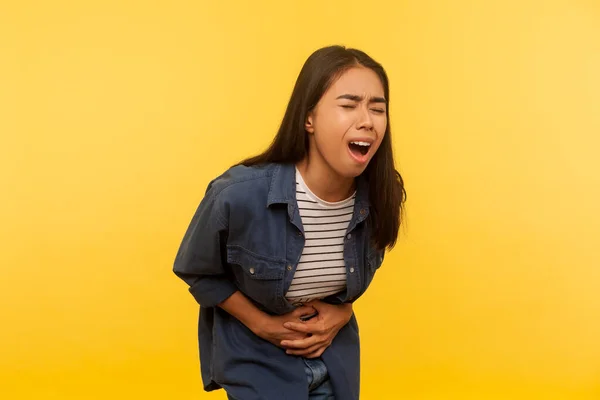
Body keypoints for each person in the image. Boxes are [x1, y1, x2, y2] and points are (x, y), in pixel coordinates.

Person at [173, 45, 406, 400]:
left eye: (378, 108)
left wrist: (342, 311)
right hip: (259, 366)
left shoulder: (379, 196)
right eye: (348, 105)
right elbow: (198, 270)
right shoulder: (238, 194)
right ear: (308, 118)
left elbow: (356, 272)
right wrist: (263, 325)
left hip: (335, 363)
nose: (367, 120)